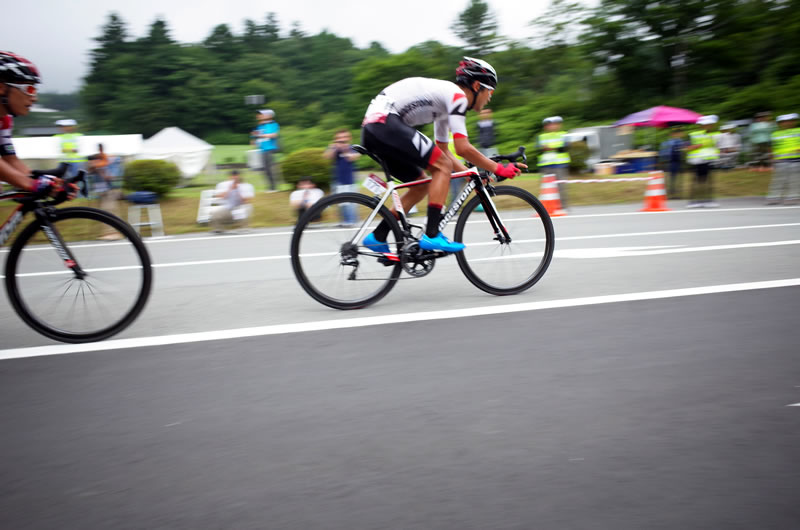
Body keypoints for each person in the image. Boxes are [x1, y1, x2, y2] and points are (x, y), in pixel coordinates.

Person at [359, 57, 524, 254]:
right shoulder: (457, 97)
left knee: (422, 184)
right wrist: (497, 168)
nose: (490, 97)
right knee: (442, 167)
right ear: (477, 85)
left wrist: (471, 174)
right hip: (385, 123)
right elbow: (462, 148)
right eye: (490, 91)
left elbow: (445, 150)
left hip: (376, 128)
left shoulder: (445, 105)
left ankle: (377, 236)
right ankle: (432, 234)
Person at [0, 51, 76, 199]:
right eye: (29, 89)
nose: (35, 98)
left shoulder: (5, 120)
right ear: (2, 87)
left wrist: (53, 185)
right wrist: (31, 184)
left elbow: (11, 160)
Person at [324, 129, 360, 226]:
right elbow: (327, 157)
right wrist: (333, 148)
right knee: (340, 202)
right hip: (338, 181)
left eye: (344, 137)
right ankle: (344, 221)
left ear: (349, 138)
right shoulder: (334, 149)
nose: (342, 140)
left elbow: (353, 157)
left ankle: (352, 222)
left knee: (351, 203)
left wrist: (344, 148)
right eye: (339, 138)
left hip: (350, 181)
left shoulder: (352, 148)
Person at [686, 115, 721, 208]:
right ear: (701, 125)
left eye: (710, 124)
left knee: (709, 181)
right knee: (697, 181)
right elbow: (687, 147)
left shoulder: (716, 135)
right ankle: (693, 201)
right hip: (697, 161)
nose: (708, 126)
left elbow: (717, 147)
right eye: (705, 124)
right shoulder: (694, 134)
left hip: (709, 161)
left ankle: (709, 201)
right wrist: (700, 145)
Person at [538, 116, 571, 210]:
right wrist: (555, 147)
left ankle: (562, 207)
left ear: (559, 125)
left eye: (554, 124)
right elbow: (540, 149)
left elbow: (564, 148)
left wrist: (549, 147)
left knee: (561, 187)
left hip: (560, 164)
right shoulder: (541, 137)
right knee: (546, 188)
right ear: (546, 126)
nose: (552, 126)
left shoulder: (564, 135)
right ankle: (547, 207)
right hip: (545, 165)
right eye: (549, 125)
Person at [767, 113, 800, 205]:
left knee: (795, 180)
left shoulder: (798, 131)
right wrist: (772, 159)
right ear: (780, 124)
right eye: (784, 122)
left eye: (790, 121)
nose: (787, 123)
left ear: (794, 122)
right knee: (778, 180)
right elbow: (772, 148)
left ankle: (792, 198)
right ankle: (773, 198)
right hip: (781, 161)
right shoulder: (775, 134)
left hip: (796, 160)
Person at [251, 109, 280, 192]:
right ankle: (270, 187)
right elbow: (255, 137)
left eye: (262, 114)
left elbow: (273, 135)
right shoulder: (260, 126)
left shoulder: (273, 124)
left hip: (270, 149)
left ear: (269, 115)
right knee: (265, 169)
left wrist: (260, 135)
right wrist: (254, 139)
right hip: (262, 149)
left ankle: (273, 187)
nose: (259, 116)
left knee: (269, 168)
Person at [54, 118, 87, 185]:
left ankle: (76, 193)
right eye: (63, 127)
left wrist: (66, 150)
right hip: (64, 161)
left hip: (76, 161)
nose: (64, 128)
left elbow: (78, 150)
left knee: (76, 179)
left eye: (67, 126)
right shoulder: (57, 137)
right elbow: (59, 150)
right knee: (62, 179)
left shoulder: (79, 136)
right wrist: (71, 150)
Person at [658, 127, 687, 199]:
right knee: (670, 178)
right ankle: (670, 193)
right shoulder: (669, 142)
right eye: (679, 133)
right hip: (670, 162)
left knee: (678, 178)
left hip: (678, 161)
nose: (681, 134)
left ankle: (677, 194)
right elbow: (663, 152)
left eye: (681, 133)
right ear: (673, 134)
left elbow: (683, 150)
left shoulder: (681, 141)